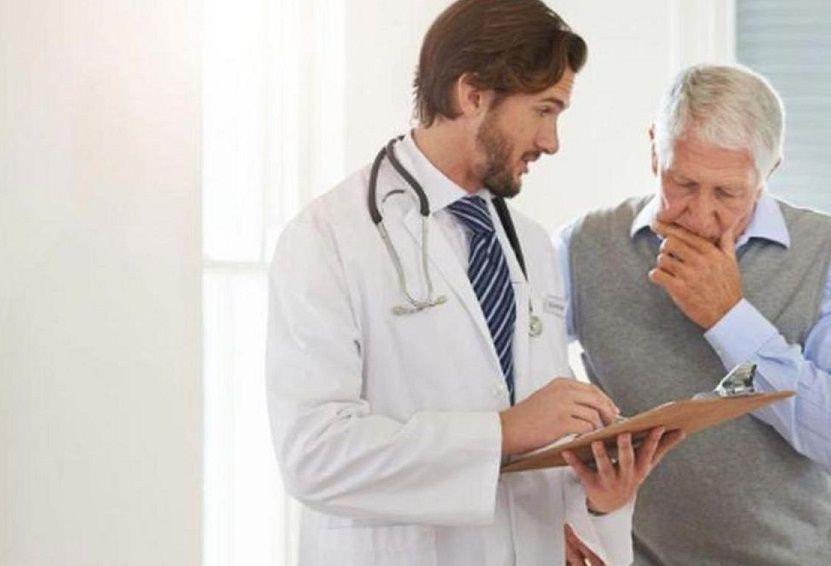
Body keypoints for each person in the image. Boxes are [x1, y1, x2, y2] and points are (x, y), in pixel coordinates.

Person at [266, 1, 682, 564]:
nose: (552, 141)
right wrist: (502, 432)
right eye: (544, 110)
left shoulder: (529, 243)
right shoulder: (328, 238)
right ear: (472, 95)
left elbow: (538, 451)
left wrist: (599, 500)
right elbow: (313, 456)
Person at [559, 64, 831, 565]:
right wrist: (557, 516)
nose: (700, 214)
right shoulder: (584, 245)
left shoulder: (823, 252)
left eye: (727, 193)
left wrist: (729, 319)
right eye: (681, 183)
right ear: (653, 151)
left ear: (769, 172)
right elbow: (517, 385)